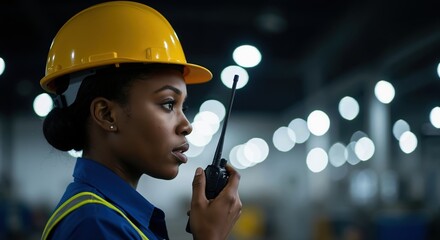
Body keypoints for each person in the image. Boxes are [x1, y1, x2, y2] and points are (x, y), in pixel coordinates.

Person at [39, 1, 242, 239]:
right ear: (106, 114)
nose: (187, 125)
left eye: (182, 106)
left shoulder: (113, 217)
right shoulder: (96, 225)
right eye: (168, 104)